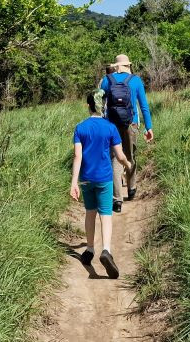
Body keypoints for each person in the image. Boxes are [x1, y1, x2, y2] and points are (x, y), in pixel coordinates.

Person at [70, 90, 132, 279]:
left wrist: (74, 182)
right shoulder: (110, 128)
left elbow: (77, 157)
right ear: (103, 106)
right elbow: (120, 156)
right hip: (104, 178)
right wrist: (128, 165)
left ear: (88, 106)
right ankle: (106, 250)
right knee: (105, 215)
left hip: (86, 179)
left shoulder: (80, 128)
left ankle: (89, 249)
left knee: (90, 213)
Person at [100, 53, 153, 213]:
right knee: (130, 156)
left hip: (111, 125)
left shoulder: (106, 81)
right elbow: (143, 106)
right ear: (128, 66)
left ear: (116, 66)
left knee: (115, 159)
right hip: (132, 123)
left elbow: (99, 104)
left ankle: (117, 199)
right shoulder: (136, 81)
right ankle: (131, 188)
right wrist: (148, 127)